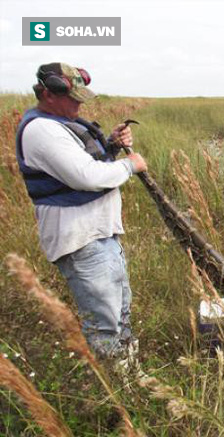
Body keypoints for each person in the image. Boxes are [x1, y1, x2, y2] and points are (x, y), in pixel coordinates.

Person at [15, 62, 147, 360]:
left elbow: (87, 164)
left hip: (100, 234)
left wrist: (111, 146)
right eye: (73, 98)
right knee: (105, 322)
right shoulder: (42, 130)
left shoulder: (59, 123)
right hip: (81, 240)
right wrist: (130, 165)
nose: (78, 104)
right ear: (48, 93)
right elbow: (87, 177)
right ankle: (116, 390)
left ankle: (129, 373)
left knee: (121, 309)